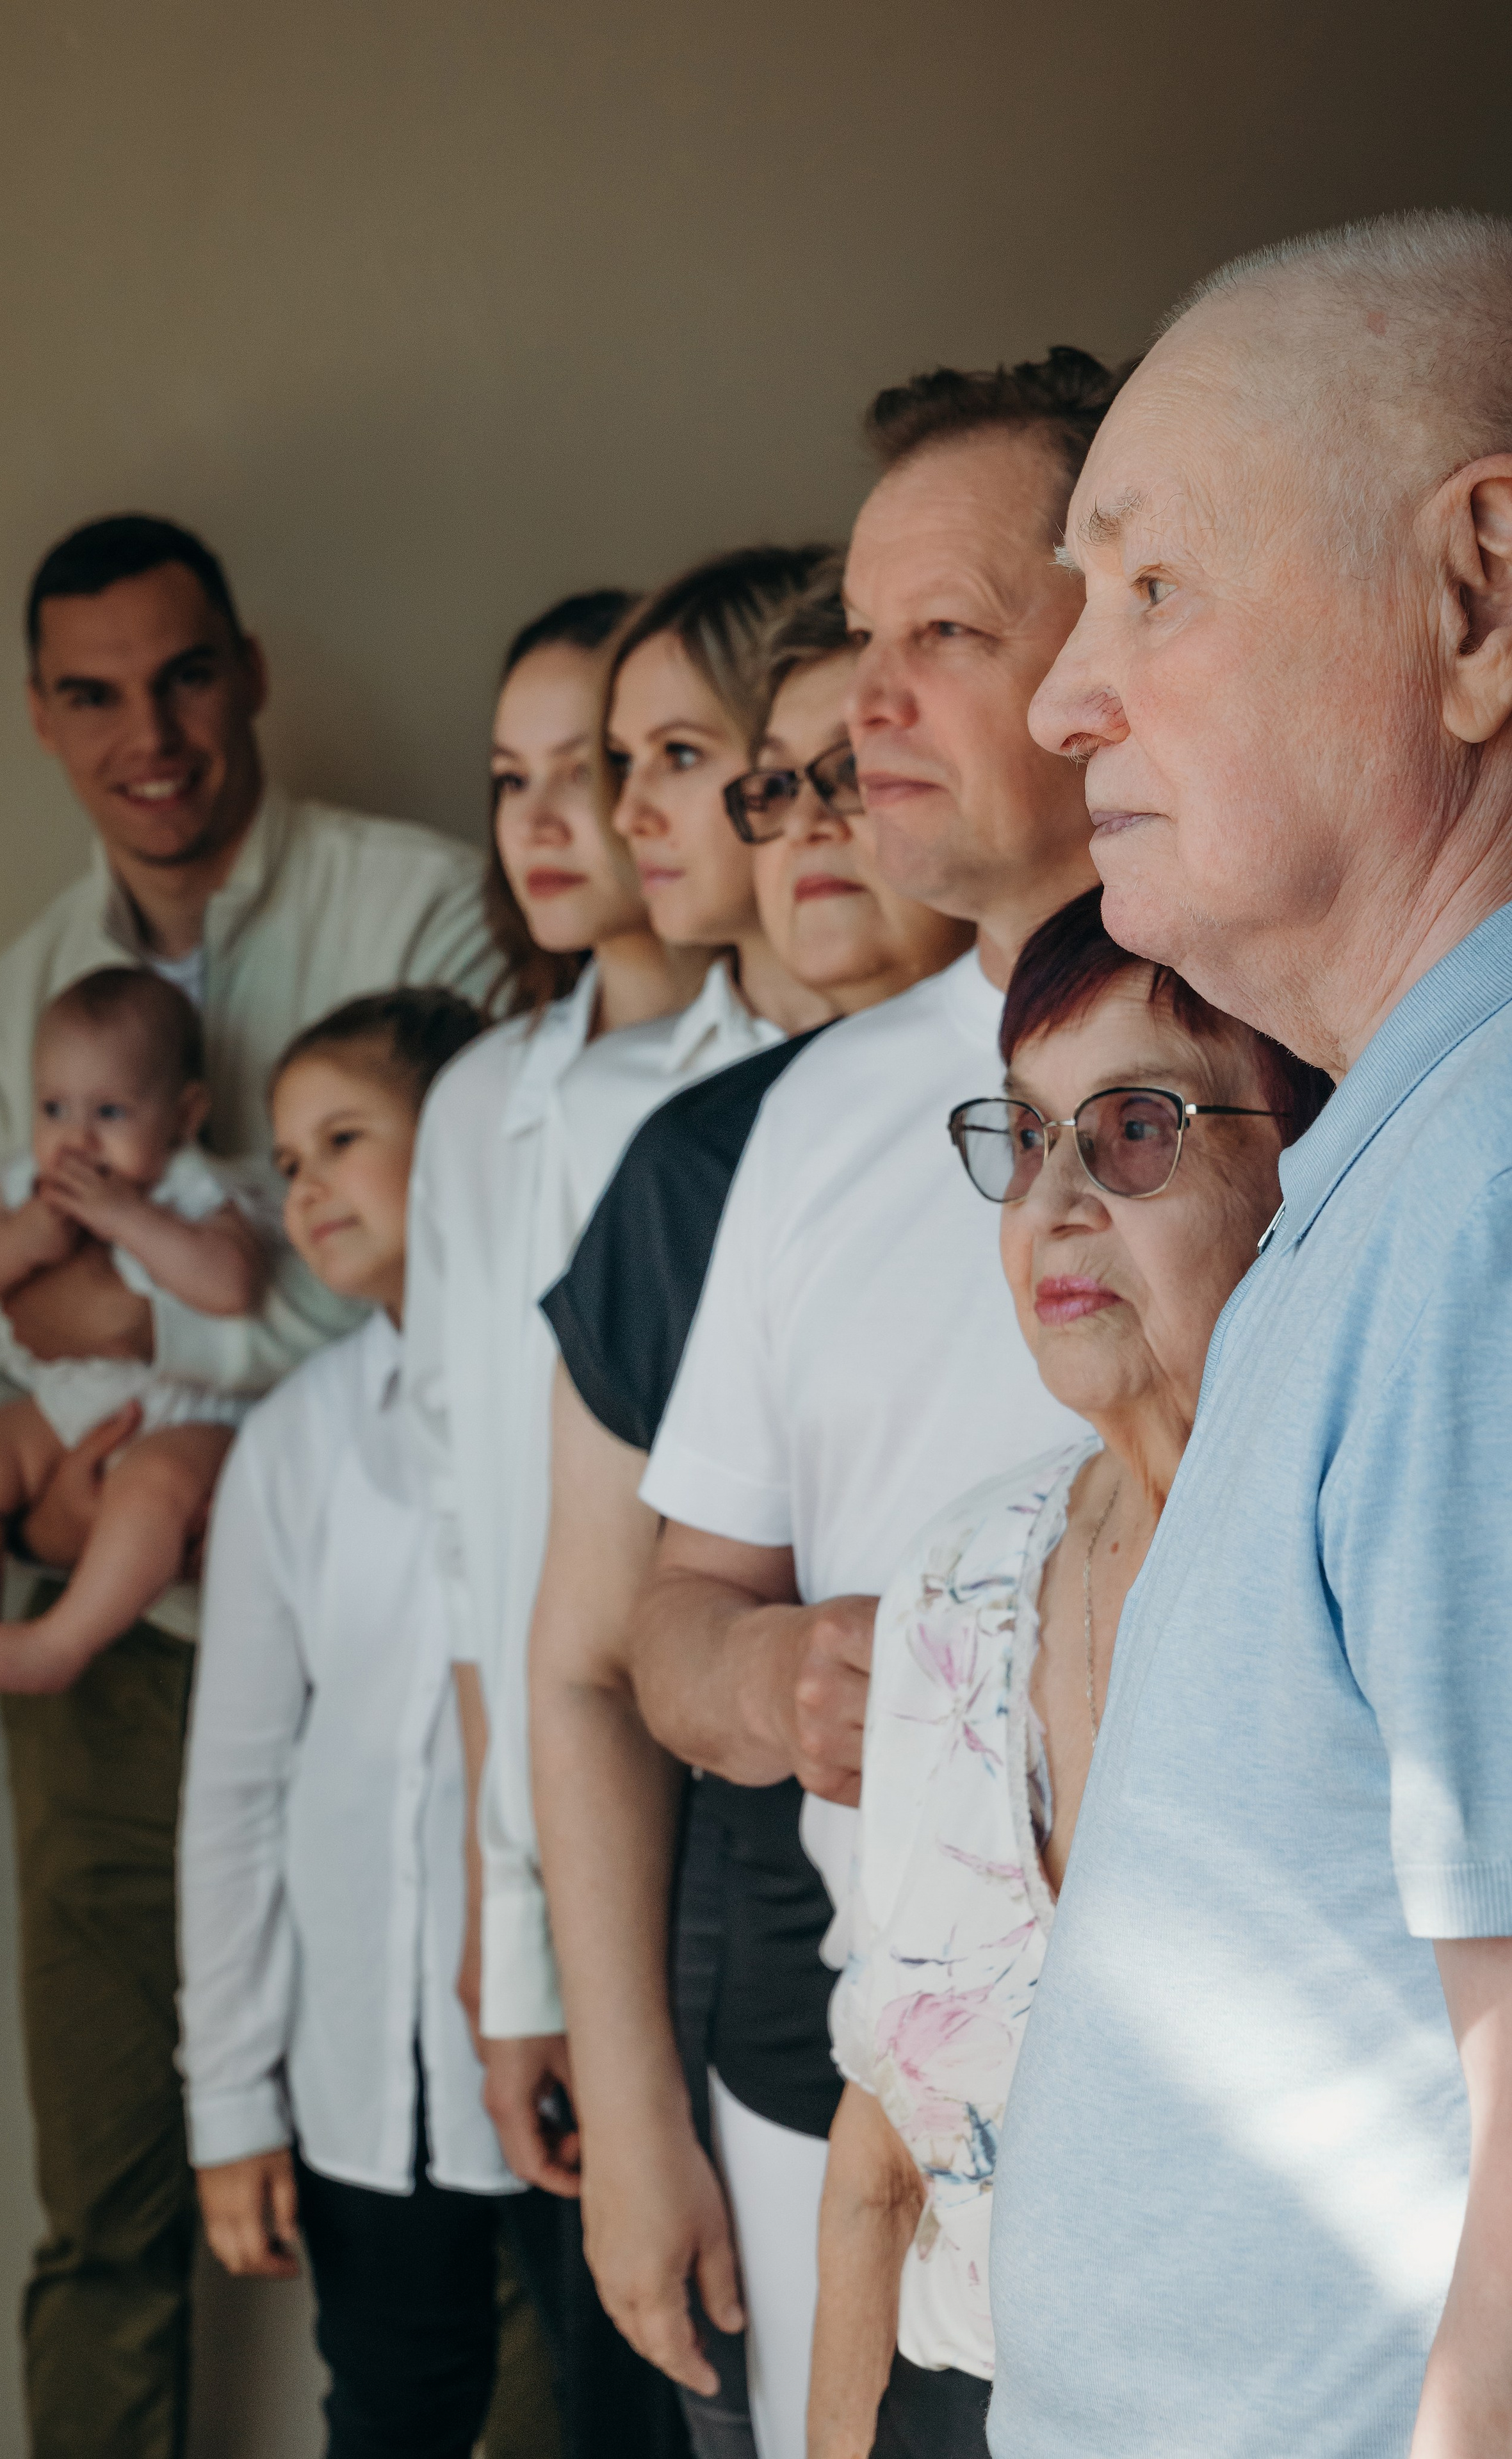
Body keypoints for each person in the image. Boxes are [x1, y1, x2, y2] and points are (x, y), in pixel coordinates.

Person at [984, 209, 1512, 2459]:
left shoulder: (1489, 1195)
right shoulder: (1406, 1166)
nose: (1060, 696)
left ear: (1478, 601)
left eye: (1151, 584)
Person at [0, 512, 492, 2459]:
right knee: (111, 2203)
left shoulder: (422, 910)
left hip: (383, 1640)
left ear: (245, 672)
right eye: (93, 694)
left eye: (179, 676)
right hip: (113, 1659)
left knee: (478, 2162)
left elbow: (457, 1271)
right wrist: (82, 1505)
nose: (146, 735)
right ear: (41, 715)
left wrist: (117, 1319)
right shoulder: (4, 1009)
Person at [622, 351, 1122, 2459]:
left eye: (946, 635)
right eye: (857, 635)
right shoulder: (813, 1120)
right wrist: (770, 1679)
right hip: (896, 2147)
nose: (866, 706)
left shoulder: (1304, 1069)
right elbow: (667, 1618)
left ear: (1111, 652)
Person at [530, 571, 970, 2459]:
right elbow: (589, 1655)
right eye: (771, 786)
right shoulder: (705, 1161)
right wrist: (633, 2103)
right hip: (783, 1965)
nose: (809, 824)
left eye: (842, 772)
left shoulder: (1124, 1084)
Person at [809, 889, 1329, 2458]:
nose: (1049, 1202)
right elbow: (877, 2149)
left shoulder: (1360, 1575)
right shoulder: (956, 1584)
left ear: (1300, 1162)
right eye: (1025, 1135)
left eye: (1132, 1131)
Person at [405, 555, 831, 2459]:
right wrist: (516, 1942)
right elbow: (507, 1575)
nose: (593, 816)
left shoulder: (853, 1084)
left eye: (651, 758)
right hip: (647, 1851)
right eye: (531, 777)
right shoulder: (625, 1144)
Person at [179, 987, 524, 2459]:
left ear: (463, 1138)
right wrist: (230, 2104)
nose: (304, 1185)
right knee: (389, 2420)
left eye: (342, 1140)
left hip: (560, 2048)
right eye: (285, 1159)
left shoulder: (568, 1392)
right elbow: (236, 1787)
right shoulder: (294, 1442)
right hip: (362, 2079)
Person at [0, 968, 267, 1693]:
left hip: (186, 1413)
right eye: (54, 1108)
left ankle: (59, 1645)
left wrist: (129, 1218)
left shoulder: (193, 1185)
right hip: (69, 1403)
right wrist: (19, 1240)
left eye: (109, 1112)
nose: (76, 1139)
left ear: (184, 1114)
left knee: (153, 1486)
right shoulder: (27, 1185)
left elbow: (232, 1285)